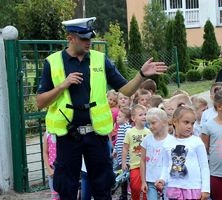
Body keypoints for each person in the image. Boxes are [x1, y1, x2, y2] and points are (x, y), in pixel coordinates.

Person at [36, 17, 167, 200]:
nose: (88, 41)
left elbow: (126, 90)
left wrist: (141, 74)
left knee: (103, 186)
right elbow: (40, 102)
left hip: (96, 135)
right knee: (67, 188)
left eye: (90, 37)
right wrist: (62, 85)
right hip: (68, 135)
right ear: (70, 38)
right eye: (83, 38)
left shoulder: (100, 59)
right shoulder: (53, 62)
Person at [155, 106, 210, 200]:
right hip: (174, 188)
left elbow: (204, 166)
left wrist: (206, 189)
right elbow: (166, 165)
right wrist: (162, 179)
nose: (189, 126)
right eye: (186, 122)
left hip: (193, 188)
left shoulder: (197, 142)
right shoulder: (167, 143)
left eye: (192, 124)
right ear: (175, 122)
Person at [140, 108, 171, 199]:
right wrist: (143, 181)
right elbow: (142, 161)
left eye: (153, 123)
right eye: (148, 124)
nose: (150, 126)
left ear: (164, 122)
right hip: (150, 181)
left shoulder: (171, 141)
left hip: (167, 181)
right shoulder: (146, 140)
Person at [122, 105, 151, 200]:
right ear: (133, 118)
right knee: (135, 187)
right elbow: (125, 148)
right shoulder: (129, 132)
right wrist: (123, 162)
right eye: (141, 115)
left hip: (147, 165)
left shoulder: (149, 132)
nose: (144, 116)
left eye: (145, 114)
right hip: (134, 165)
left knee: (147, 187)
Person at [113, 107, 132, 200]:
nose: (117, 118)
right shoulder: (120, 127)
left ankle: (128, 194)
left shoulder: (127, 127)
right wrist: (115, 150)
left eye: (120, 117)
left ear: (126, 119)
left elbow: (128, 141)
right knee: (123, 177)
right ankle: (123, 195)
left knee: (127, 176)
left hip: (127, 158)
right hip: (121, 158)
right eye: (117, 116)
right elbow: (118, 141)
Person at [42, 131, 60, 200]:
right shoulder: (47, 133)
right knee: (55, 196)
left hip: (66, 169)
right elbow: (45, 152)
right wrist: (49, 170)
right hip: (53, 170)